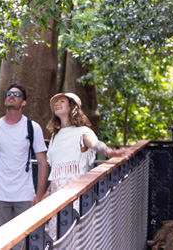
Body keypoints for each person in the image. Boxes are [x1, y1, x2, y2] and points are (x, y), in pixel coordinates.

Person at [46, 92, 131, 238]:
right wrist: (47, 192)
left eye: (62, 101)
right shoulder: (55, 136)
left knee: (76, 238)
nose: (57, 104)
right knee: (57, 239)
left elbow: (95, 144)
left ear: (73, 107)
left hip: (76, 196)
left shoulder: (82, 132)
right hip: (56, 197)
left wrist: (109, 151)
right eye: (56, 102)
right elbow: (56, 170)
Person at [0, 84, 48, 250]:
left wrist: (39, 196)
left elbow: (43, 162)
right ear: (4, 100)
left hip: (25, 196)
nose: (12, 96)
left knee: (27, 243)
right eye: (9, 94)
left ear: (23, 102)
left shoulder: (33, 128)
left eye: (17, 94)